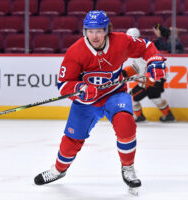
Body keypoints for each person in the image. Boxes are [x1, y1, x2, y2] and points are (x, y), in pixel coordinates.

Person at [34, 11, 167, 194]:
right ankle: (58, 170)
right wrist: (80, 88)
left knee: (126, 124)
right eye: (90, 31)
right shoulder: (75, 51)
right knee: (72, 140)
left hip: (115, 94)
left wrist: (154, 61)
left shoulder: (121, 41)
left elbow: (146, 46)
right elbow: (64, 84)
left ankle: (128, 168)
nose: (94, 36)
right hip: (86, 102)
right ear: (84, 31)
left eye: (99, 31)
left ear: (106, 30)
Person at [124, 28, 176, 122]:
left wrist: (148, 81)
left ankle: (140, 116)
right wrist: (125, 72)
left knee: (130, 97)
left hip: (151, 82)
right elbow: (137, 67)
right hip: (156, 81)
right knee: (156, 98)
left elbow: (147, 67)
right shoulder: (141, 48)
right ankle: (169, 115)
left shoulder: (141, 50)